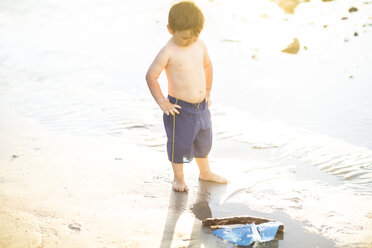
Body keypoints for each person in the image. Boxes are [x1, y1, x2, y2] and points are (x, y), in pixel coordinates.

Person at [146, 1, 227, 192]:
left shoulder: (200, 45)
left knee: (204, 142)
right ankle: (179, 178)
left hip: (201, 107)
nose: (190, 40)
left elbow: (207, 66)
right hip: (179, 109)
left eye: (195, 35)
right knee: (179, 145)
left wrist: (207, 91)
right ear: (170, 30)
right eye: (184, 37)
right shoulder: (168, 51)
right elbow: (151, 75)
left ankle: (205, 172)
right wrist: (163, 103)